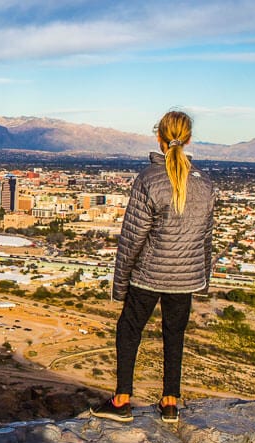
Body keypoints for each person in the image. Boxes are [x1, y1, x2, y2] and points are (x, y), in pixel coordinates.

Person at [91, 110, 214, 423]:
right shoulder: (204, 184)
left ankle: (122, 400)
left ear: (159, 137)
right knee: (175, 334)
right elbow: (205, 239)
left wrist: (120, 284)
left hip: (148, 274)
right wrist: (202, 279)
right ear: (187, 139)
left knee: (129, 329)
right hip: (185, 278)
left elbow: (132, 238)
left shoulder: (148, 179)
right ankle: (170, 402)